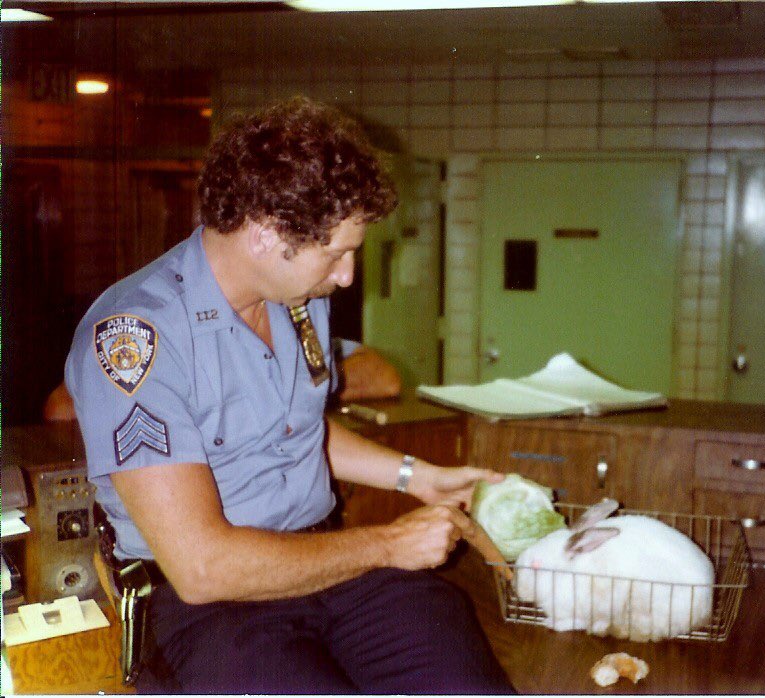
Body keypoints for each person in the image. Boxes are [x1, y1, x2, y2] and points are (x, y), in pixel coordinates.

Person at [64, 97, 514, 694]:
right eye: (336, 253)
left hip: (328, 564)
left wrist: (416, 476)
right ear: (265, 233)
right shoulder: (136, 335)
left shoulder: (298, 300)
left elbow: (296, 429)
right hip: (213, 605)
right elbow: (201, 567)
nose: (346, 275)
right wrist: (387, 543)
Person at [44, 339, 400, 421]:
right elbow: (60, 408)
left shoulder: (289, 324)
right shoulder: (169, 338)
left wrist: (284, 381)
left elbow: (384, 378)